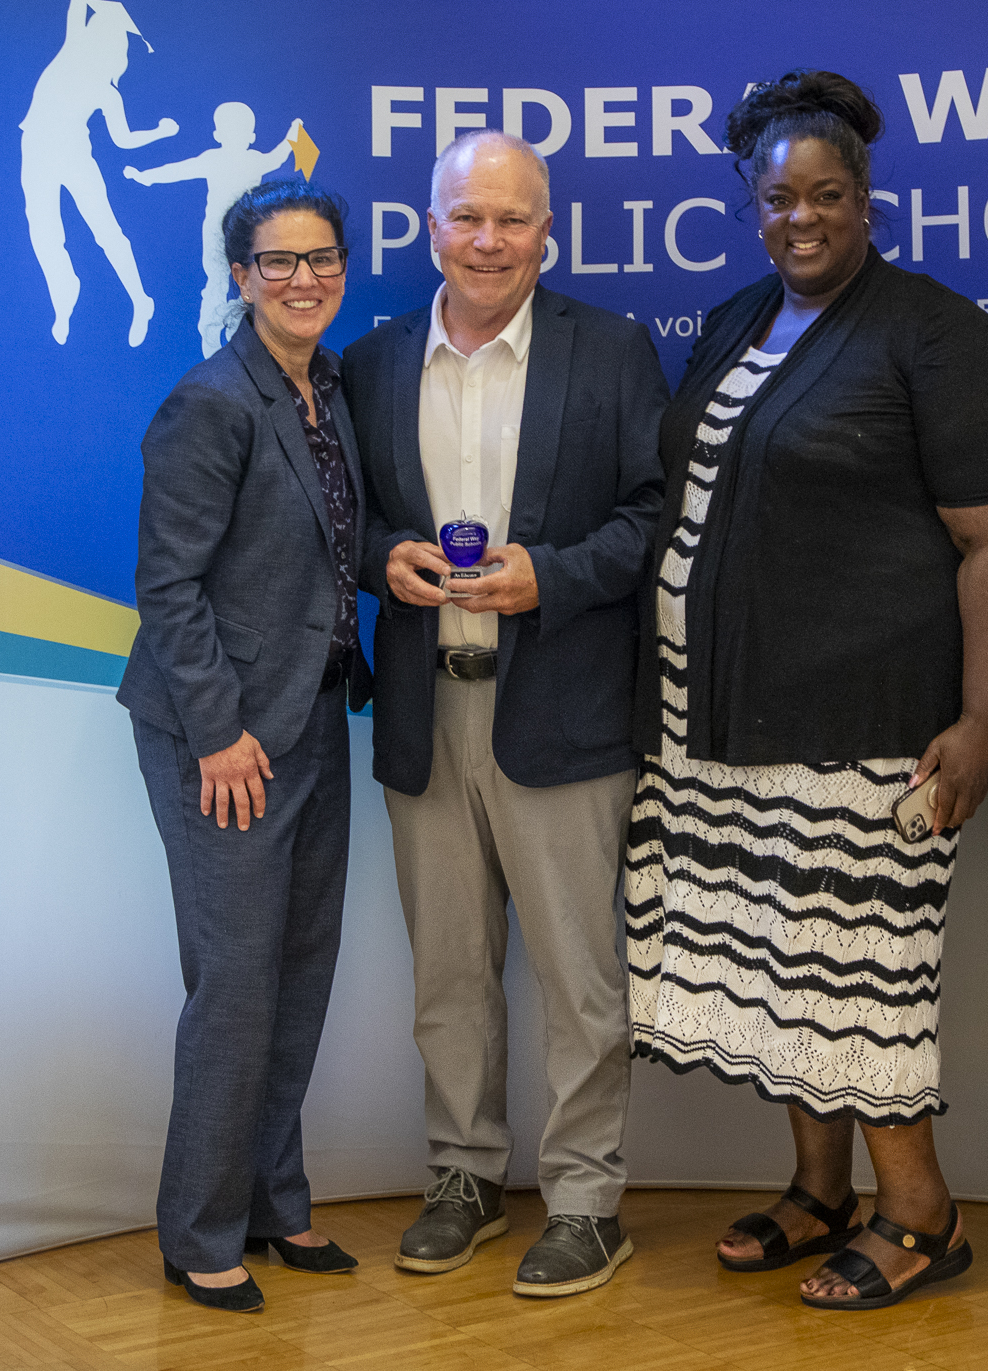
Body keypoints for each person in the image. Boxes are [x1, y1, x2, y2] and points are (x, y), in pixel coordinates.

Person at [622, 71, 988, 1311]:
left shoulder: (932, 333)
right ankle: (821, 1191)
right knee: (776, 964)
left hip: (863, 726)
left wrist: (980, 719)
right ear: (750, 204)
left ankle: (921, 1212)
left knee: (857, 971)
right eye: (777, 197)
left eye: (824, 195)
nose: (799, 217)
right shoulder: (737, 318)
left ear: (865, 198)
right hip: (716, 718)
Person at [343, 132, 667, 1298]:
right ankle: (463, 1174)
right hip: (425, 710)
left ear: (547, 233)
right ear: (429, 227)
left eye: (512, 218)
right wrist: (382, 559)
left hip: (564, 711)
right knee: (447, 972)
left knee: (581, 978)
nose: (488, 240)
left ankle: (583, 1201)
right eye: (467, 216)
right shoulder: (371, 361)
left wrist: (555, 576)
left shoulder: (612, 350)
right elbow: (345, 515)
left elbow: (653, 515)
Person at [116, 178, 371, 1312]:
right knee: (234, 985)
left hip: (312, 714)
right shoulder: (210, 402)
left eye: (321, 259)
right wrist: (218, 733)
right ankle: (200, 1228)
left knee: (299, 970)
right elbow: (166, 588)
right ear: (240, 276)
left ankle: (274, 1199)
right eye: (278, 261)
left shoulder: (328, 387)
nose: (303, 279)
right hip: (221, 736)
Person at [18, 0, 177, 347]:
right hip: (35, 147)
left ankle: (141, 300)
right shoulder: (72, 45)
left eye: (101, 30)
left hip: (73, 155)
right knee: (43, 229)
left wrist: (159, 132)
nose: (91, 28)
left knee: (105, 230)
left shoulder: (106, 91)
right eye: (93, 25)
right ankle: (65, 295)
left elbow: (123, 140)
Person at [124, 103, 302, 359]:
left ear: (251, 137)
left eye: (241, 132)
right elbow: (181, 169)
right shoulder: (213, 158)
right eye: (229, 132)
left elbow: (278, 157)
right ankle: (210, 338)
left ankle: (239, 330)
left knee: (252, 281)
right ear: (218, 135)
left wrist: (292, 134)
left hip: (251, 235)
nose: (235, 138)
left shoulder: (254, 160)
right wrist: (147, 176)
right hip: (217, 234)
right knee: (217, 281)